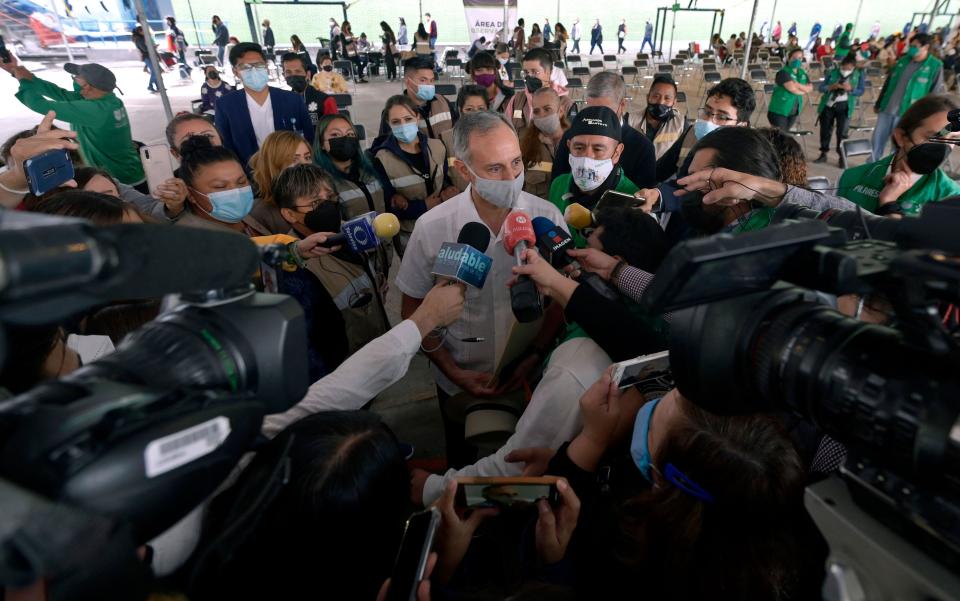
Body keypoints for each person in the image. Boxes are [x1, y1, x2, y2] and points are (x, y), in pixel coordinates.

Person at [396, 110, 567, 467]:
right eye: (494, 169)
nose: (511, 178)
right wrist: (449, 369)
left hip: (528, 374)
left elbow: (561, 302)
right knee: (460, 457)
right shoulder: (432, 228)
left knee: (523, 459)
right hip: (455, 378)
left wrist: (535, 354)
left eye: (516, 162)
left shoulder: (546, 217)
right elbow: (411, 310)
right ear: (463, 170)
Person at [272, 164, 389, 366]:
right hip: (346, 367)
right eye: (316, 202)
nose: (327, 206)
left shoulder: (352, 230)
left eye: (331, 197)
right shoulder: (296, 266)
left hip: (377, 344)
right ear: (289, 214)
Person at [4, 60, 147, 190]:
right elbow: (59, 93)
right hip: (127, 171)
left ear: (88, 87)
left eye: (77, 78)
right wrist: (23, 75)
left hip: (123, 180)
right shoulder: (106, 100)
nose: (74, 79)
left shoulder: (95, 110)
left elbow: (41, 104)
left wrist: (23, 81)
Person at [839, 94, 960, 216]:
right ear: (901, 137)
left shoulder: (952, 197)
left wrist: (889, 205)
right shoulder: (850, 179)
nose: (944, 147)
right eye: (933, 137)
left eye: (953, 139)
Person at [372, 94, 458, 255]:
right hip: (410, 233)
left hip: (441, 225)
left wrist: (448, 189)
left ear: (417, 117)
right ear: (388, 124)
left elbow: (444, 179)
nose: (403, 126)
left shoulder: (438, 146)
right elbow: (387, 208)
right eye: (396, 122)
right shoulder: (381, 159)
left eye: (408, 119)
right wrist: (422, 206)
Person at [214, 42, 315, 168]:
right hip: (251, 174)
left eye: (258, 65)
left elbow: (308, 138)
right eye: (245, 67)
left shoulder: (292, 100)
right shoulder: (226, 106)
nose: (254, 70)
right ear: (236, 72)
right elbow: (227, 147)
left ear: (266, 67)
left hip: (292, 171)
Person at [552, 72, 657, 190]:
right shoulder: (572, 137)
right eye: (592, 109)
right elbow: (558, 184)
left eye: (606, 111)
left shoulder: (642, 146)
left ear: (622, 105)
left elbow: (644, 198)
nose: (599, 116)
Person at [549, 106, 636, 246]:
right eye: (579, 148)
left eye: (598, 149)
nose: (587, 157)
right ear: (569, 146)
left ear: (617, 152)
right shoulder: (558, 185)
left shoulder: (631, 199)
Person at [174, 136, 271, 235]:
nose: (236, 192)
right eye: (220, 186)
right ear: (190, 194)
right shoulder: (191, 238)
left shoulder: (247, 218)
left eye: (241, 182)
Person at [871, 32, 944, 160]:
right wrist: (879, 102)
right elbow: (888, 82)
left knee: (899, 145)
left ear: (926, 47)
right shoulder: (903, 61)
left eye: (915, 46)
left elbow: (934, 94)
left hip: (909, 114)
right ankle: (871, 167)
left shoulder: (935, 66)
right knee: (876, 141)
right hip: (887, 109)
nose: (911, 48)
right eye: (911, 45)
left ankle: (892, 170)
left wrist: (926, 117)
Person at [248, 130, 314, 233]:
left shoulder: (322, 197)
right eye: (293, 160)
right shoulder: (259, 213)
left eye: (307, 157)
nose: (304, 165)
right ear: (274, 165)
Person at [381, 56, 456, 141]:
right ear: (408, 82)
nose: (429, 85)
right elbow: (386, 144)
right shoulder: (394, 111)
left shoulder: (443, 102)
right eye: (423, 80)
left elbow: (457, 131)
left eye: (431, 80)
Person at [503, 48, 573, 130]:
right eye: (526, 72)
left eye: (535, 72)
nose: (529, 76)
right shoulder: (517, 100)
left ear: (549, 72)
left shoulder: (565, 104)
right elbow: (507, 129)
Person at [519, 87, 570, 199]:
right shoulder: (526, 147)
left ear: (560, 111)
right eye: (537, 111)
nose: (542, 115)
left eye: (547, 109)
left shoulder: (575, 144)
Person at [630, 74, 688, 170]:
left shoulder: (681, 125)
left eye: (667, 98)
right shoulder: (630, 120)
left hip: (664, 180)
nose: (660, 102)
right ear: (648, 97)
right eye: (656, 96)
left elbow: (683, 161)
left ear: (674, 102)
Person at [815, 54, 864, 164]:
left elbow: (861, 91)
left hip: (845, 106)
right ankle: (823, 153)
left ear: (854, 67)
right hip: (829, 105)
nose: (846, 70)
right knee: (825, 130)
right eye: (844, 68)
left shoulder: (858, 74)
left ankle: (841, 156)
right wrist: (831, 87)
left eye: (849, 68)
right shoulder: (832, 72)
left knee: (842, 132)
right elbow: (821, 88)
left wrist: (851, 89)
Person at [443, 85, 489, 191]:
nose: (476, 114)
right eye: (469, 109)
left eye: (481, 109)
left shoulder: (497, 137)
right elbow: (441, 176)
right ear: (460, 110)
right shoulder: (446, 139)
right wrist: (448, 188)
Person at [281, 52, 337, 135]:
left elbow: (334, 132)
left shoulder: (326, 101)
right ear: (283, 75)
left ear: (308, 74)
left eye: (298, 71)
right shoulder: (282, 102)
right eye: (288, 72)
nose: (293, 76)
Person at [767, 46, 813, 132]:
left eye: (799, 58)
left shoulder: (802, 73)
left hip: (794, 110)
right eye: (794, 58)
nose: (797, 60)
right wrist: (803, 90)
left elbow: (810, 88)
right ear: (788, 58)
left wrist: (797, 84)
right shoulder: (783, 73)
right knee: (781, 135)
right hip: (779, 110)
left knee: (785, 134)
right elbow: (792, 89)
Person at [131, 25, 158, 94]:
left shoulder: (142, 38)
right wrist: (153, 47)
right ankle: (150, 85)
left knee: (155, 71)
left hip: (149, 56)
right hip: (147, 57)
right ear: (140, 32)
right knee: (154, 72)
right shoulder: (139, 40)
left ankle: (158, 86)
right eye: (143, 31)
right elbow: (145, 49)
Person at [165, 16, 191, 81]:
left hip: (178, 48)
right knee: (181, 60)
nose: (166, 22)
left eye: (167, 21)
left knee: (180, 61)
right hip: (177, 48)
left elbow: (177, 38)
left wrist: (179, 47)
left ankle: (184, 75)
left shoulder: (174, 29)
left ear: (170, 21)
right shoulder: (173, 28)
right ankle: (185, 73)